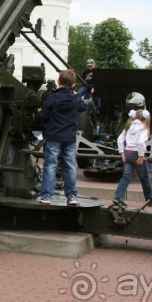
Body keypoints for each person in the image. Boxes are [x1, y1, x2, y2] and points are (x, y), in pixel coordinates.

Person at [36, 69, 89, 206]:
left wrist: (38, 112)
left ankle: (46, 196)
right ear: (73, 84)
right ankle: (71, 196)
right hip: (70, 136)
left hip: (54, 135)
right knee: (70, 165)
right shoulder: (75, 98)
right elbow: (83, 107)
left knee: (50, 165)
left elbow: (42, 117)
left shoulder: (52, 98)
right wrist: (76, 94)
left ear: (58, 82)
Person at [113, 109, 152, 206]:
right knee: (144, 178)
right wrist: (141, 156)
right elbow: (140, 142)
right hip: (136, 153)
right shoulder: (144, 128)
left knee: (126, 177)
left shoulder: (129, 126)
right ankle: (150, 200)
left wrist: (122, 153)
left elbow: (120, 139)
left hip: (127, 152)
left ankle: (118, 197)